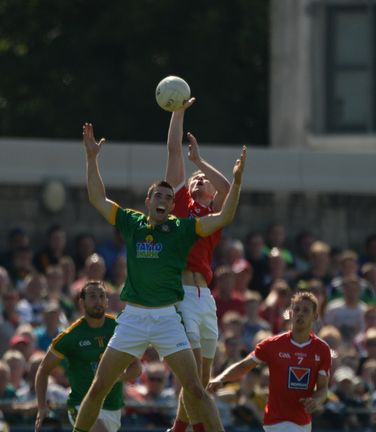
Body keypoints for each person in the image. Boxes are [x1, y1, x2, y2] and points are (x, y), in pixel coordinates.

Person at [72, 122, 246, 432]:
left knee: (195, 388)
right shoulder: (133, 222)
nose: (165, 200)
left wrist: (236, 182)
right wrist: (91, 158)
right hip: (134, 317)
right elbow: (98, 199)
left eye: (169, 197)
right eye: (159, 196)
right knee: (99, 386)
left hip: (167, 318)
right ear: (149, 201)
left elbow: (226, 216)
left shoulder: (180, 229)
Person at [163, 98, 232, 432]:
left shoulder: (214, 216)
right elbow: (174, 154)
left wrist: (201, 160)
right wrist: (178, 112)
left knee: (202, 382)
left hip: (207, 300)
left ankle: (179, 428)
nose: (198, 179)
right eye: (195, 178)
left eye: (202, 179)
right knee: (191, 378)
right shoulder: (180, 206)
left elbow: (228, 188)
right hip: (183, 294)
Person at [207, 291, 332, 432]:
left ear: (315, 316)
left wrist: (316, 400)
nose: (300, 314)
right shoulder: (272, 345)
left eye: (305, 310)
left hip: (303, 422)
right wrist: (221, 378)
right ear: (290, 314)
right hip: (276, 421)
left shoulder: (322, 350)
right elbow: (245, 365)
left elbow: (322, 388)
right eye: (296, 309)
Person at [35, 281, 141, 432]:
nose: (98, 301)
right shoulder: (70, 336)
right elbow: (43, 369)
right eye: (92, 296)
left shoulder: (119, 328)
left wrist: (115, 378)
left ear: (107, 301)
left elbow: (136, 368)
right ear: (81, 302)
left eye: (102, 296)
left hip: (113, 408)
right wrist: (41, 407)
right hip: (81, 405)